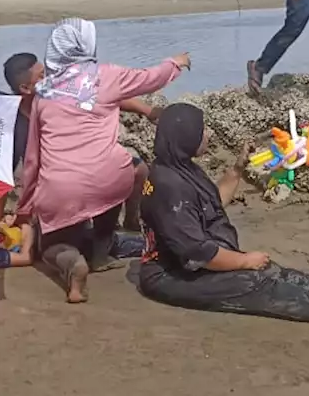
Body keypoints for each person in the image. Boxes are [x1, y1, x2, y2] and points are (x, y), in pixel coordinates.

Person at [138, 104, 309, 324]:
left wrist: (237, 169)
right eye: (201, 130)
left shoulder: (180, 168)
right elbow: (197, 252)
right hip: (169, 276)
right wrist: (245, 261)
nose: (207, 134)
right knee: (254, 283)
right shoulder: (169, 186)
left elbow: (209, 207)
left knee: (271, 270)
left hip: (192, 263)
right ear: (185, 136)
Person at [16, 19, 188, 302]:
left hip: (60, 188)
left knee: (50, 245)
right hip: (109, 177)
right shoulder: (107, 75)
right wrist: (176, 63)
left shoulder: (43, 93)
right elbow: (150, 78)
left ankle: (72, 265)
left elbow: (33, 159)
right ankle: (101, 250)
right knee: (115, 181)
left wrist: (24, 206)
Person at [2, 50, 161, 229]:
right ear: (25, 88)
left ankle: (130, 220)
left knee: (138, 170)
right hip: (55, 184)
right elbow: (4, 173)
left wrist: (147, 111)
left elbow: (104, 95)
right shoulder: (13, 125)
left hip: (88, 162)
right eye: (42, 76)